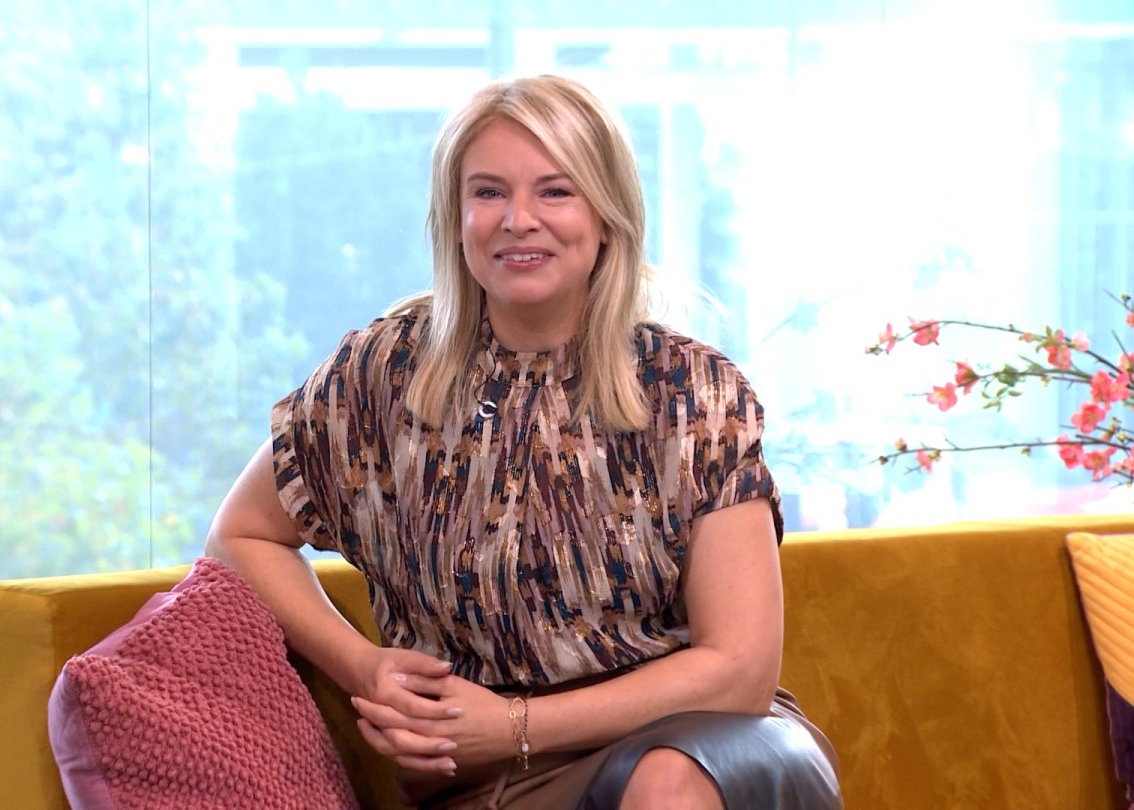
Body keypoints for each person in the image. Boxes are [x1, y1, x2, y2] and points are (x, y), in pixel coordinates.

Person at [205, 74, 842, 810]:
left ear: (606, 215)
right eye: (488, 193)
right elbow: (239, 536)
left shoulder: (693, 392)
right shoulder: (381, 377)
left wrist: (514, 726)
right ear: (455, 219)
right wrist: (365, 667)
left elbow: (740, 671)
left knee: (666, 783)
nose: (519, 220)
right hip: (492, 785)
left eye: (555, 191)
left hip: (705, 748)